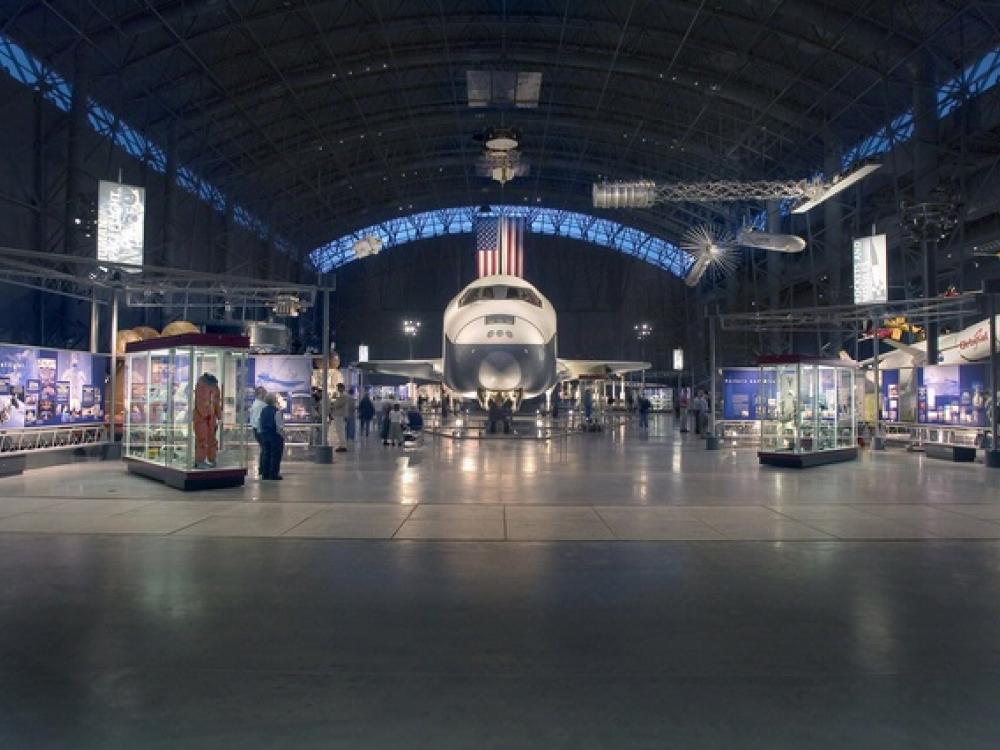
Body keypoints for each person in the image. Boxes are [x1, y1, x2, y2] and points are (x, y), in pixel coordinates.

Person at [193, 372, 222, 468]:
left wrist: (219, 416)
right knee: (202, 439)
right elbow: (200, 402)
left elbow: (217, 402)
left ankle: (212, 458)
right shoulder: (201, 386)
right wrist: (208, 414)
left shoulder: (214, 387)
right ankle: (200, 461)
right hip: (201, 417)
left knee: (212, 440)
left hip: (210, 417)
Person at [258, 392, 285, 480]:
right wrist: (282, 435)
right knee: (275, 455)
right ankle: (273, 474)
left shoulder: (263, 410)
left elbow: (260, 422)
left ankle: (265, 474)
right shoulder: (276, 411)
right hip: (275, 436)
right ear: (274, 400)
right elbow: (279, 426)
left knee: (266, 454)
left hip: (265, 435)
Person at [248, 386, 268, 477]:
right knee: (265, 450)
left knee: (264, 449)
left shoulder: (255, 404)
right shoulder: (262, 405)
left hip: (256, 429)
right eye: (264, 393)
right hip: (260, 430)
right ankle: (263, 469)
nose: (265, 394)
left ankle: (262, 469)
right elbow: (259, 420)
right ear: (260, 394)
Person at [329, 382, 348, 452]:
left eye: (339, 387)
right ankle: (341, 445)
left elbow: (336, 405)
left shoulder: (343, 396)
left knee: (340, 431)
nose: (338, 389)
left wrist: (333, 401)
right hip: (338, 415)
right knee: (339, 431)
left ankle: (343, 446)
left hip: (339, 415)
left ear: (342, 388)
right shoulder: (341, 396)